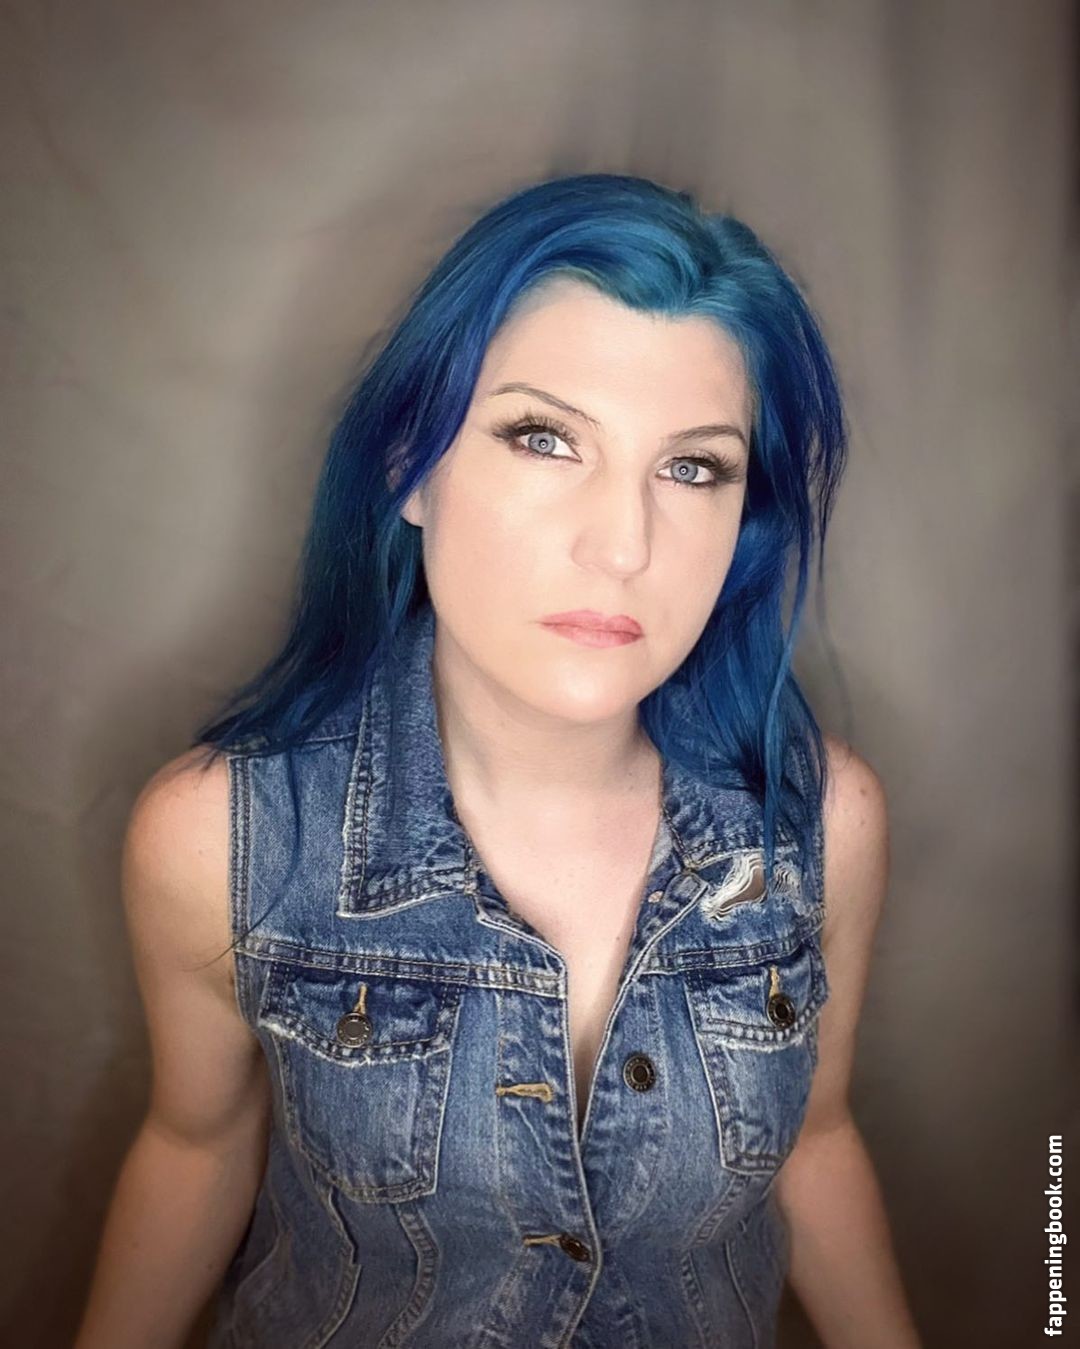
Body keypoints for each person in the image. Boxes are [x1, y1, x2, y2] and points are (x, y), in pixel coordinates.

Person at [75, 173, 922, 1348]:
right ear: (411, 465)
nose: (621, 545)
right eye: (544, 438)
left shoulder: (819, 821)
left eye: (693, 467)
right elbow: (196, 1143)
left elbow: (815, 1138)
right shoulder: (217, 836)